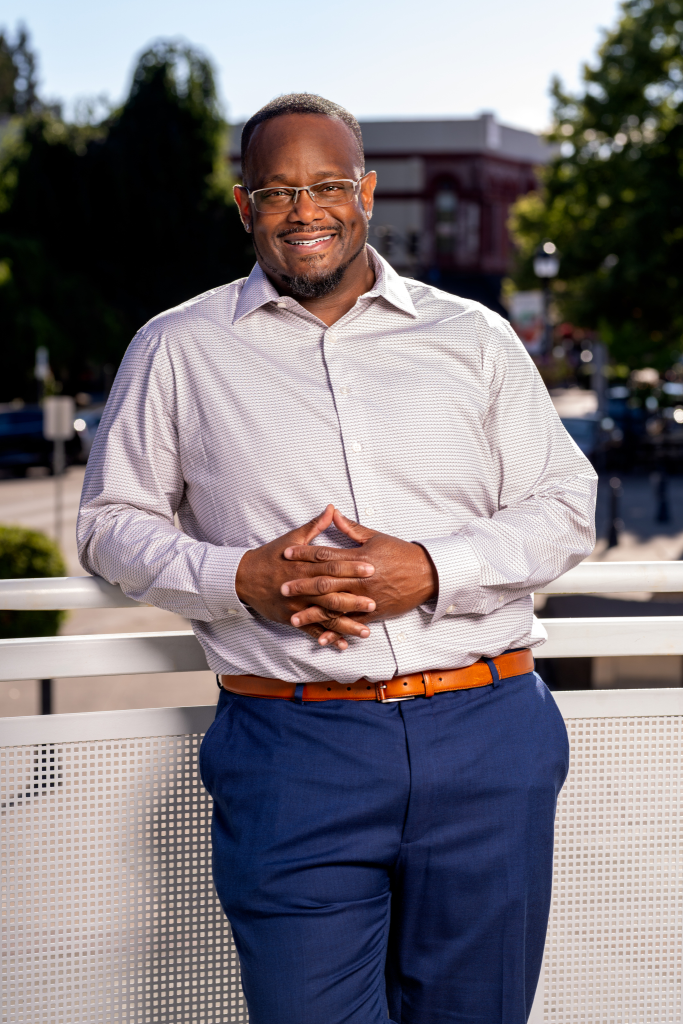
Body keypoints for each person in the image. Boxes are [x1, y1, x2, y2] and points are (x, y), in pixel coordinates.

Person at [77, 93, 597, 1024]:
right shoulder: (177, 348)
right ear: (245, 209)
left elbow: (565, 505)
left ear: (364, 193)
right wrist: (239, 579)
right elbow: (112, 520)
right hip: (291, 749)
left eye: (324, 185)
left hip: (486, 732)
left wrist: (431, 568)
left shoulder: (471, 337)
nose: (303, 210)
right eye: (277, 192)